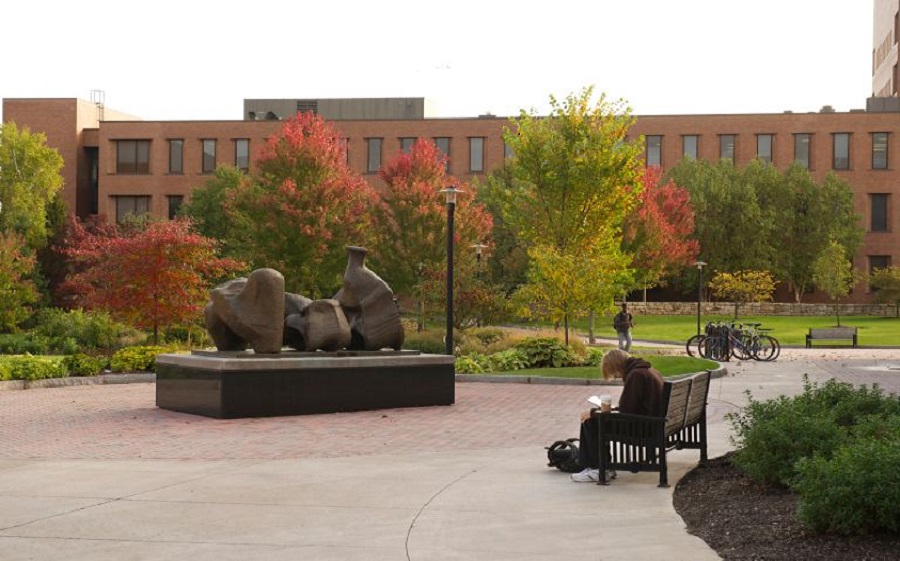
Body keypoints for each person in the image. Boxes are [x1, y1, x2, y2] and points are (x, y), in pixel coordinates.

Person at [570, 349, 665, 483]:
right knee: (596, 418)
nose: (617, 377)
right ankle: (601, 466)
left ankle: (598, 468)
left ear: (617, 367)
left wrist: (594, 414)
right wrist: (609, 410)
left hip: (643, 428)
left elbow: (626, 412)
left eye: (614, 373)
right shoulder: (648, 370)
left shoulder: (636, 376)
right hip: (654, 423)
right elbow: (633, 406)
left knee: (590, 422)